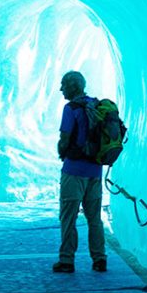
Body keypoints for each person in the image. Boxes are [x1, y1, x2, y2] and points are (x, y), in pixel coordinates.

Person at [53, 71, 106, 273]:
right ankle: (100, 259)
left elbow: (65, 138)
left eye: (63, 85)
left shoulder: (71, 108)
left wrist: (62, 152)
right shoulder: (97, 105)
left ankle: (67, 260)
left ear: (73, 87)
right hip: (95, 171)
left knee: (68, 217)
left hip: (74, 170)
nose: (61, 89)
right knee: (94, 219)